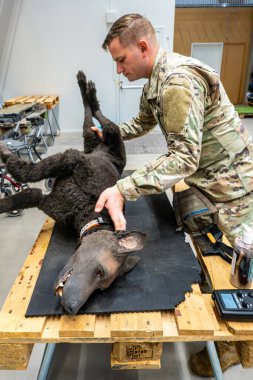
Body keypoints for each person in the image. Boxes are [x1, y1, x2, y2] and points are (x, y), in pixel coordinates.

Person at [93, 13, 253, 376]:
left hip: (232, 183)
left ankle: (234, 347)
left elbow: (183, 157)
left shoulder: (177, 83)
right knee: (212, 247)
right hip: (205, 176)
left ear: (143, 48)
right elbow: (145, 123)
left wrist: (124, 188)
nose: (119, 70)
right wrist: (110, 131)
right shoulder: (156, 80)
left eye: (121, 60)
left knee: (242, 265)